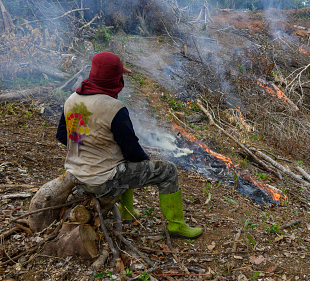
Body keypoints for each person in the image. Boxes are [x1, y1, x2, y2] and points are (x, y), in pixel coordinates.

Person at [56, 52, 202, 239]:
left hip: (75, 175)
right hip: (102, 180)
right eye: (120, 76)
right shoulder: (114, 108)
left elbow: (62, 135)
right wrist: (144, 165)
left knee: (121, 161)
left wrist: (88, 149)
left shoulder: (71, 100)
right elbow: (132, 151)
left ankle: (127, 212)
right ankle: (176, 225)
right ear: (114, 78)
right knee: (167, 171)